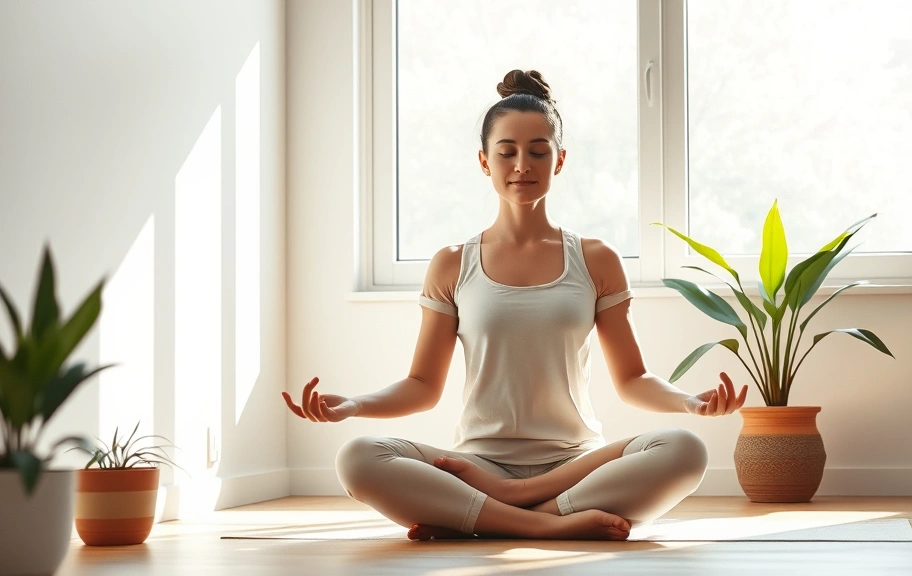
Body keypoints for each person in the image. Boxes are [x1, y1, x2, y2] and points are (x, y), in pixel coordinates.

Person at [283, 69, 747, 541]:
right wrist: (353, 406)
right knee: (358, 458)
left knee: (685, 449)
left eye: (538, 152)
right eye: (506, 152)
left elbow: (633, 380)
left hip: (576, 465)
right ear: (484, 161)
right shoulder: (451, 264)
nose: (522, 164)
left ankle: (496, 513)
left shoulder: (596, 259)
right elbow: (422, 384)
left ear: (559, 160)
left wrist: (690, 403)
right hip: (477, 464)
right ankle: (548, 524)